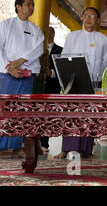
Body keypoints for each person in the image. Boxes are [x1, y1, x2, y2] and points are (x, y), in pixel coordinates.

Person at [55, 7, 107, 159]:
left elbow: (105, 61)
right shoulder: (73, 36)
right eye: (86, 15)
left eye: (92, 16)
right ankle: (66, 149)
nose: (88, 19)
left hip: (93, 81)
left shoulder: (102, 38)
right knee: (72, 114)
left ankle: (87, 150)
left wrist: (95, 75)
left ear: (97, 20)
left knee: (89, 115)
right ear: (82, 18)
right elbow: (65, 56)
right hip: (74, 81)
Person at [0, 0, 44, 157]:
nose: (31, 7)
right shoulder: (6, 25)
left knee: (22, 111)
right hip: (7, 74)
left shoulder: (35, 29)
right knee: (4, 110)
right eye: (28, 4)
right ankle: (2, 147)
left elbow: (38, 49)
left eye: (32, 5)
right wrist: (10, 68)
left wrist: (20, 61)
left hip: (26, 74)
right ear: (18, 6)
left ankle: (16, 146)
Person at [39, 26, 63, 154]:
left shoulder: (60, 50)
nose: (47, 35)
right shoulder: (37, 49)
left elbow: (62, 69)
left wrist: (51, 72)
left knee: (47, 116)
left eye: (50, 32)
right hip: (37, 87)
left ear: (53, 34)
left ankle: (44, 143)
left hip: (52, 87)